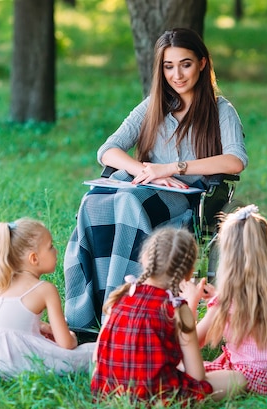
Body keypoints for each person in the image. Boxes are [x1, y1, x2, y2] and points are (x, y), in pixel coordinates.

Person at [64, 27, 248, 329]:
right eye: (168, 66)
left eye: (185, 64)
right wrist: (146, 171)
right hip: (146, 184)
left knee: (128, 202)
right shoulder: (154, 105)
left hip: (187, 194)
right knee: (92, 202)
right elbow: (107, 150)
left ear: (202, 63)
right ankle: (84, 314)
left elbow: (235, 161)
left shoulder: (220, 110)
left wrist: (172, 168)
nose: (177, 74)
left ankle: (122, 312)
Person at [91, 227, 246, 404]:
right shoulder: (177, 308)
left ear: (145, 259)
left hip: (109, 392)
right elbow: (196, 375)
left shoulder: (123, 294)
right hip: (158, 397)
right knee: (237, 379)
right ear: (189, 273)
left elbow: (97, 355)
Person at [183, 205, 267, 395]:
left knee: (181, 367)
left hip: (249, 377)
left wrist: (191, 301)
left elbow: (193, 343)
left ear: (229, 258)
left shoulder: (227, 300)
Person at [0, 218, 95, 379]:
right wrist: (72, 338)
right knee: (96, 350)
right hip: (18, 365)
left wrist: (43, 328)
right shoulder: (45, 289)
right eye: (51, 247)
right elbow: (66, 344)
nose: (56, 251)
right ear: (34, 258)